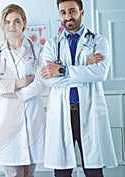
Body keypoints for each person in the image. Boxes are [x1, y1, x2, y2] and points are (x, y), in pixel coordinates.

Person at [40, 0, 118, 177]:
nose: (68, 17)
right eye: (63, 12)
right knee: (61, 172)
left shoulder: (99, 41)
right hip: (62, 112)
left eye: (72, 11)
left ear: (82, 12)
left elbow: (99, 74)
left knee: (93, 171)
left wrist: (62, 69)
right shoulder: (52, 45)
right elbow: (51, 81)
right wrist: (85, 67)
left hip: (89, 111)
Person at [0, 4, 47, 177]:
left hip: (31, 116)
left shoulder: (38, 51)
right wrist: (20, 82)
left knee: (29, 171)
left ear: (24, 23)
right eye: (8, 22)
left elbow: (42, 82)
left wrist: (14, 93)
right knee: (12, 171)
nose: (12, 26)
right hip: (8, 119)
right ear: (3, 25)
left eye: (16, 21)